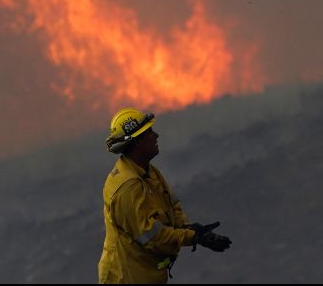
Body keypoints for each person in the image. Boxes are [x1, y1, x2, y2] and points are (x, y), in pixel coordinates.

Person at [97, 107, 231, 283]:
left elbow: (171, 204)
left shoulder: (148, 171)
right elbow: (152, 237)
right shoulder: (127, 188)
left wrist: (188, 228)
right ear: (137, 142)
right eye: (149, 132)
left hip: (146, 274)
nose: (156, 135)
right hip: (126, 278)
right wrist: (193, 237)